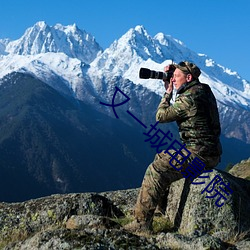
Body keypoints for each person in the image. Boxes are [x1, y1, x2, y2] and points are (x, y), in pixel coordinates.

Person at [124, 61, 222, 233]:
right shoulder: (203, 90)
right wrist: (175, 72)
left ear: (189, 78)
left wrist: (167, 93)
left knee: (156, 168)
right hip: (211, 152)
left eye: (177, 77)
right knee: (162, 157)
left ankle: (141, 224)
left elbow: (161, 116)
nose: (173, 79)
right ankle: (161, 209)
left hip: (198, 154)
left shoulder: (188, 99)